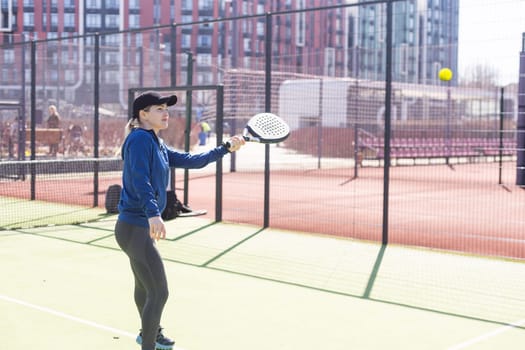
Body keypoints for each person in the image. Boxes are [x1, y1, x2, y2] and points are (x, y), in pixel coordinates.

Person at [114, 91, 244, 350]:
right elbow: (140, 180)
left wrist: (225, 148)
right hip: (134, 227)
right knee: (159, 292)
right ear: (143, 114)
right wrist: (153, 213)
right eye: (159, 108)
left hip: (135, 228)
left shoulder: (155, 142)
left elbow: (192, 160)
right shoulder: (140, 140)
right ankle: (149, 344)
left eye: (166, 109)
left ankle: (149, 332)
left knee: (144, 286)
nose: (166, 113)